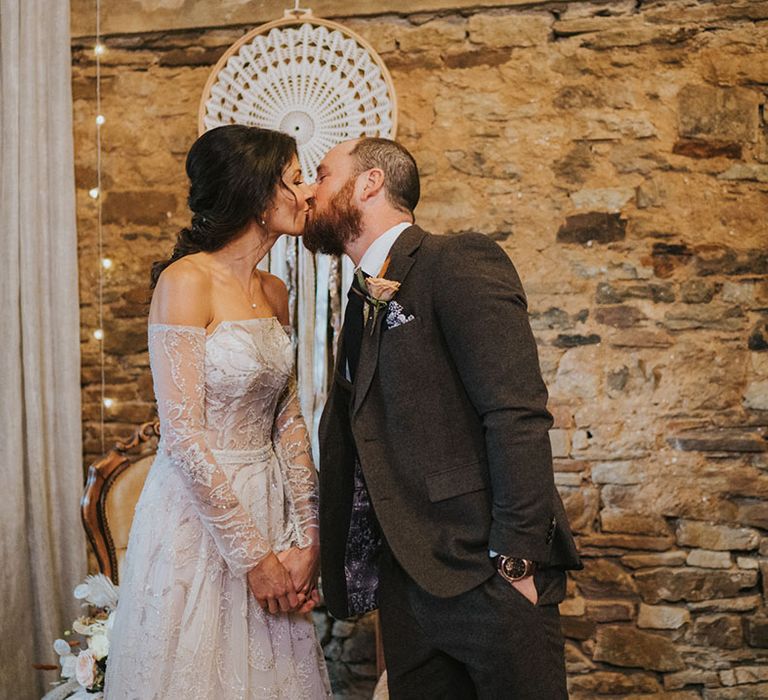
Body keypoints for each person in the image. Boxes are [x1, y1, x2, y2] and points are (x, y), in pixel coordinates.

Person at [304, 137, 582, 699]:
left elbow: (516, 413)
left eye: (322, 174)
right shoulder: (360, 299)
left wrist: (516, 562)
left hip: (486, 572)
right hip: (406, 585)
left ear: (370, 183)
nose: (311, 190)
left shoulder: (456, 261)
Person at [105, 125, 331, 699]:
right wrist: (254, 557)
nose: (308, 195)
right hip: (199, 518)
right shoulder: (185, 282)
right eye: (297, 180)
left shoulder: (275, 290)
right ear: (258, 195)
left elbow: (288, 419)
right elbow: (182, 436)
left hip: (272, 499)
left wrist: (310, 538)